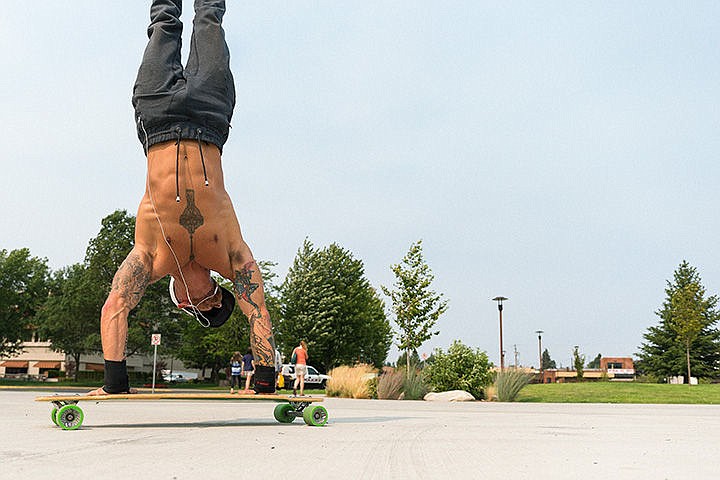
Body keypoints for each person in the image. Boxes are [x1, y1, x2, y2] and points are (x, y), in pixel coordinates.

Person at [88, 0, 276, 396]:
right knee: (209, 16)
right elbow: (257, 310)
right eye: (207, 303)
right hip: (210, 114)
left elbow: (114, 308)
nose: (195, 303)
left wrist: (114, 384)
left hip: (156, 115)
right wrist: (263, 382)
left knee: (163, 20)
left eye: (194, 309)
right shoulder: (230, 254)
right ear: (212, 290)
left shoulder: (150, 257)